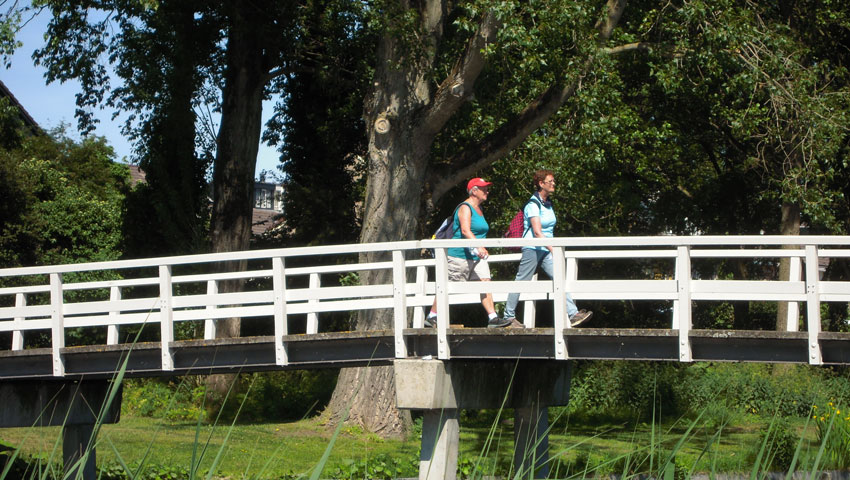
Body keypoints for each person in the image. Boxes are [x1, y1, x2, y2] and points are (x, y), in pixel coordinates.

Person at [503, 169, 592, 328]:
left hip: (545, 249)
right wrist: (554, 249)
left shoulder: (548, 204)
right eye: (550, 181)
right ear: (541, 183)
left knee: (559, 279)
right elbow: (537, 232)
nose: (553, 184)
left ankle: (573, 314)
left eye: (553, 181)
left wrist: (550, 248)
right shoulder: (533, 204)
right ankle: (508, 317)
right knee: (521, 281)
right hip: (533, 248)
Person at [426, 178, 511, 328]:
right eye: (483, 188)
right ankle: (432, 316)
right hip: (459, 255)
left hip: (477, 257)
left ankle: (492, 318)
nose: (487, 191)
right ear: (474, 191)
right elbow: (465, 230)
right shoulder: (465, 207)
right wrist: (479, 246)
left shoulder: (479, 209)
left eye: (487, 188)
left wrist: (479, 248)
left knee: (485, 282)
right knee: (448, 286)